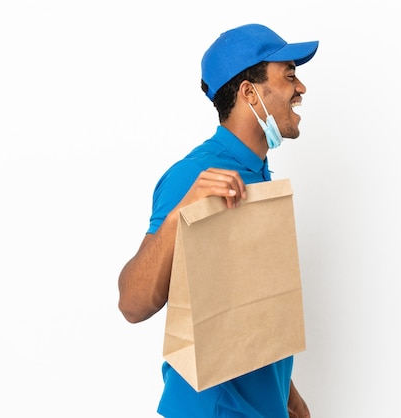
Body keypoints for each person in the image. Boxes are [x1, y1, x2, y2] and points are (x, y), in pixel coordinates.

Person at [117, 23, 319, 418]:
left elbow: (245, 309)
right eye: (290, 75)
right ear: (250, 92)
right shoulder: (196, 175)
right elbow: (131, 303)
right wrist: (181, 214)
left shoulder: (257, 173)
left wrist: (288, 396)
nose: (302, 88)